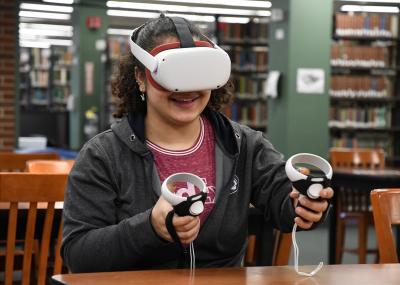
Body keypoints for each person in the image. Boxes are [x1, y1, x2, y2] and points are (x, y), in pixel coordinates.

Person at [61, 15, 333, 273]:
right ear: (140, 78)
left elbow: (281, 200)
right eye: (173, 74)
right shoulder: (103, 155)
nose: (188, 89)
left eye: (199, 73)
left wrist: (303, 204)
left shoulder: (242, 145)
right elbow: (79, 255)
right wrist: (150, 227)